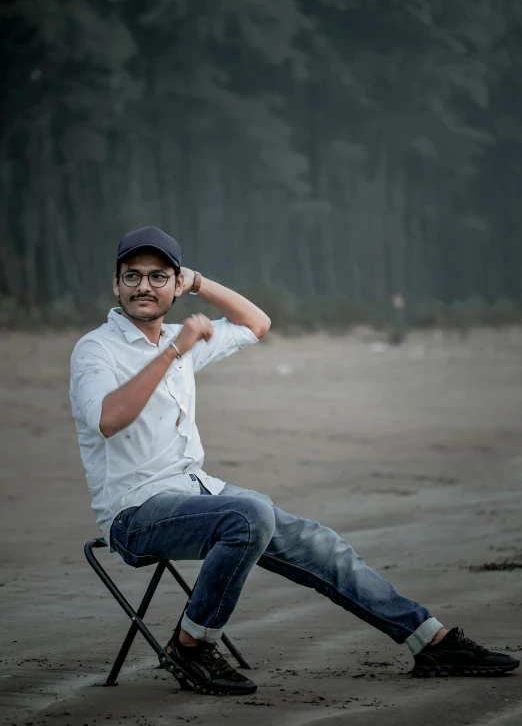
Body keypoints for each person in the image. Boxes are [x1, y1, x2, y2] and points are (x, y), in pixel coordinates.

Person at [70, 226, 519, 696]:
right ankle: (192, 646)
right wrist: (174, 352)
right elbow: (108, 418)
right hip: (135, 515)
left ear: (175, 284)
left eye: (159, 277)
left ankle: (431, 640)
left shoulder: (179, 338)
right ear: (115, 283)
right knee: (250, 516)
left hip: (197, 491)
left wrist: (200, 283)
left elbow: (256, 324)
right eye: (133, 276)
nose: (144, 286)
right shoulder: (96, 349)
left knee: (320, 544)